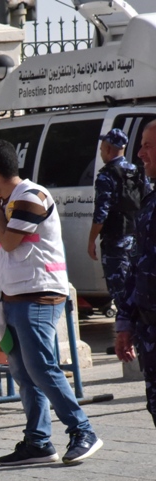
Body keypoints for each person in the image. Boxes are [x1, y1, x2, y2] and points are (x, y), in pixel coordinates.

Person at [0, 140, 103, 465]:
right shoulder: (9, 203)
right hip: (17, 296)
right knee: (24, 372)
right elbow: (6, 257)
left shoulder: (31, 197)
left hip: (40, 295)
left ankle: (82, 430)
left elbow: (8, 242)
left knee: (41, 368)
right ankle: (38, 442)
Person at [115, 120, 156, 428]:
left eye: (148, 145)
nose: (140, 154)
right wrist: (125, 322)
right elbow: (138, 265)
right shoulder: (150, 202)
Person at [89, 128, 146, 314]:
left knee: (120, 294)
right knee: (139, 291)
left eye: (101, 147)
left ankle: (126, 340)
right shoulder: (136, 171)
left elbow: (101, 214)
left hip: (116, 244)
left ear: (107, 148)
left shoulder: (106, 175)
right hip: (137, 242)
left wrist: (91, 241)